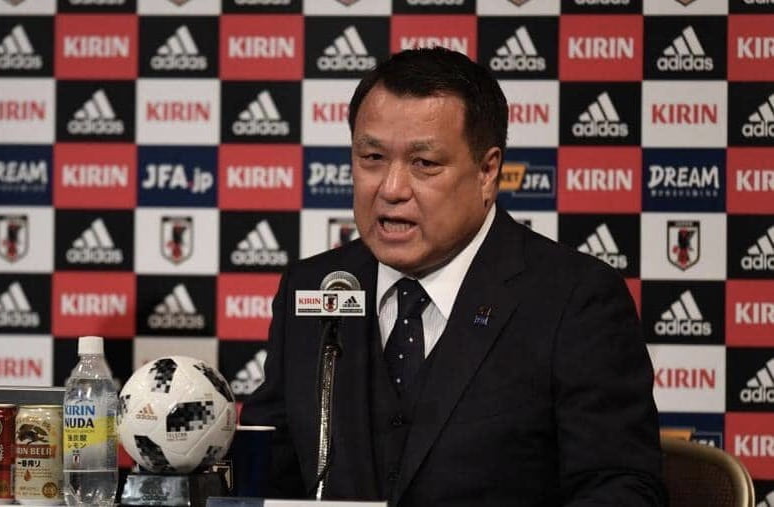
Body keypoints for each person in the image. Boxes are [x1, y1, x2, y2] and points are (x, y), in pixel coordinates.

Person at [241, 47, 666, 506]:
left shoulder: (575, 300)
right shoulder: (314, 287)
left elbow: (620, 490)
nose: (391, 189)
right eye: (372, 157)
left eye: (424, 164)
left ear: (487, 172)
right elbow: (264, 478)